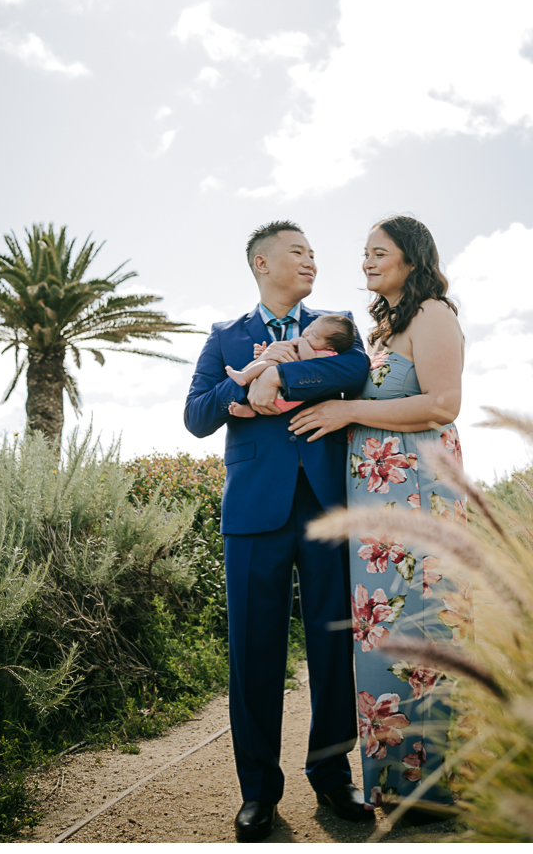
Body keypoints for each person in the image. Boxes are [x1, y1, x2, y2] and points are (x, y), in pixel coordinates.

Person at [184, 221, 372, 842]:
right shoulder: (224, 336)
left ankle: (332, 775)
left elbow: (357, 368)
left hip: (326, 508)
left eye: (315, 253)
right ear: (262, 264)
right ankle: (258, 791)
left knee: (332, 647)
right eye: (298, 252)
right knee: (253, 654)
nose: (311, 260)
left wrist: (279, 377)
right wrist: (239, 392)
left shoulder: (338, 324)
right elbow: (195, 415)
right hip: (252, 514)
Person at [288, 215, 465, 821]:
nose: (365, 261)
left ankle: (435, 791)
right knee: (382, 639)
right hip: (375, 512)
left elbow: (443, 403)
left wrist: (348, 412)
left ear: (412, 258)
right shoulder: (382, 329)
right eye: (363, 253)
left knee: (423, 636)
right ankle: (395, 788)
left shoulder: (433, 314)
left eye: (378, 252)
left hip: (417, 501)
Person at [226, 314, 356, 417]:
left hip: (285, 397)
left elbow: (310, 362)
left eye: (314, 335)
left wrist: (302, 342)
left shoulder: (327, 354)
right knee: (270, 361)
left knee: (272, 365)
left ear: (329, 346)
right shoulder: (307, 344)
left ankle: (245, 377)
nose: (307, 332)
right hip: (269, 393)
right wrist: (263, 354)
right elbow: (281, 353)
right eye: (310, 326)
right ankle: (248, 407)